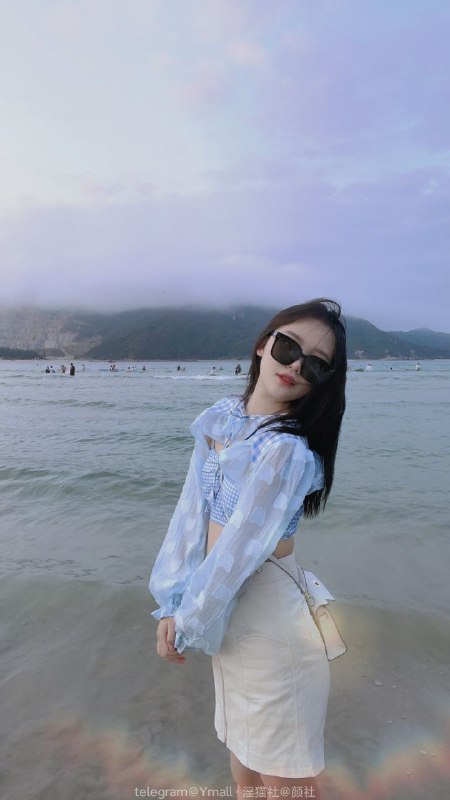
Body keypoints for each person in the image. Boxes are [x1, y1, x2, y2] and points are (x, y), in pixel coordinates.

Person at [149, 298, 347, 798]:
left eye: (316, 365)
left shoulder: (286, 451)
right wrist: (171, 602)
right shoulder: (222, 420)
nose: (296, 366)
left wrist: (187, 620)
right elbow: (189, 516)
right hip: (230, 619)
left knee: (285, 784)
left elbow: (239, 551)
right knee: (244, 769)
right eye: (289, 347)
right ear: (263, 345)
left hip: (271, 627)